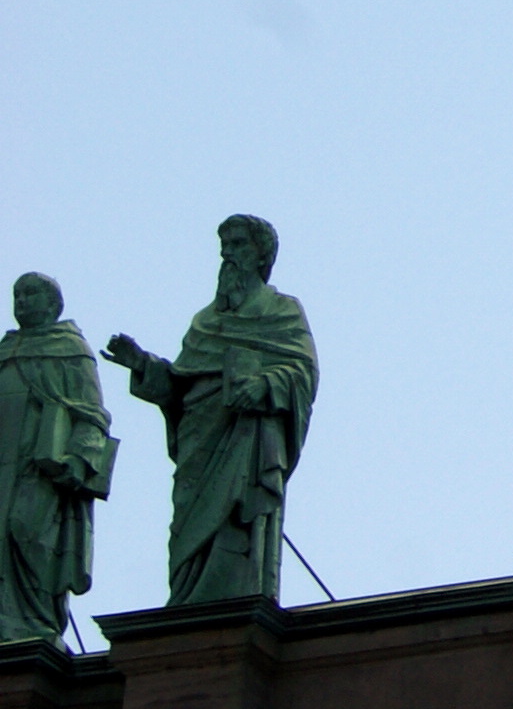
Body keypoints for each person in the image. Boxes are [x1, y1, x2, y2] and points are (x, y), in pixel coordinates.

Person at [103, 215, 317, 605]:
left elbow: (302, 370)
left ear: (261, 255)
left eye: (238, 245)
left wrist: (264, 385)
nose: (226, 253)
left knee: (235, 521)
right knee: (187, 531)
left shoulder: (282, 311)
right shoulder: (204, 322)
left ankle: (232, 603)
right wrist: (143, 365)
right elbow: (181, 386)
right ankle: (188, 605)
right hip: (200, 442)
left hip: (245, 436)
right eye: (225, 245)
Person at [0, 274, 113, 645]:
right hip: (3, 467)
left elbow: (93, 414)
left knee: (27, 533)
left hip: (41, 467)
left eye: (31, 293)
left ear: (52, 303)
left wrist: (80, 459)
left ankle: (35, 622)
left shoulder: (70, 349)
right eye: (17, 294)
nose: (22, 301)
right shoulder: (6, 349)